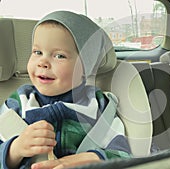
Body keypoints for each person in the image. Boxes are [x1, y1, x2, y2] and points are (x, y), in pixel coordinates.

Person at [0, 10, 131, 169]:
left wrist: (93, 158)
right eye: (37, 52)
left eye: (59, 56)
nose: (43, 62)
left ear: (85, 67)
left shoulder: (98, 105)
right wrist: (15, 149)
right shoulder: (19, 102)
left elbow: (122, 154)